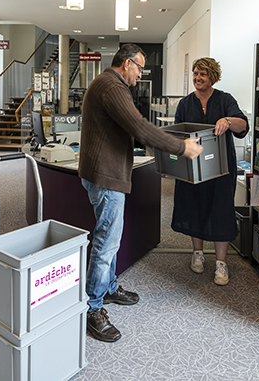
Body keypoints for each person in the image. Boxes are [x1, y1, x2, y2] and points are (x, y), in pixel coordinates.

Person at [79, 44, 203, 342]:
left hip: (104, 172)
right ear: (126, 63)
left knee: (109, 237)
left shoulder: (109, 84)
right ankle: (91, 308)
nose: (140, 73)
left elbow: (128, 127)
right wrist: (181, 147)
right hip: (105, 176)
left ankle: (107, 289)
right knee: (106, 243)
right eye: (139, 67)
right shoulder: (112, 87)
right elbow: (140, 127)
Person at [171, 57, 249, 286]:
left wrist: (227, 120)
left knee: (221, 210)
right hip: (192, 168)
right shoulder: (185, 104)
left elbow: (243, 125)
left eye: (203, 74)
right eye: (195, 73)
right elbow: (176, 134)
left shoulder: (225, 100)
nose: (198, 78)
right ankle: (197, 253)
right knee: (194, 207)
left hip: (221, 169)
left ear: (212, 76)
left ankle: (221, 262)